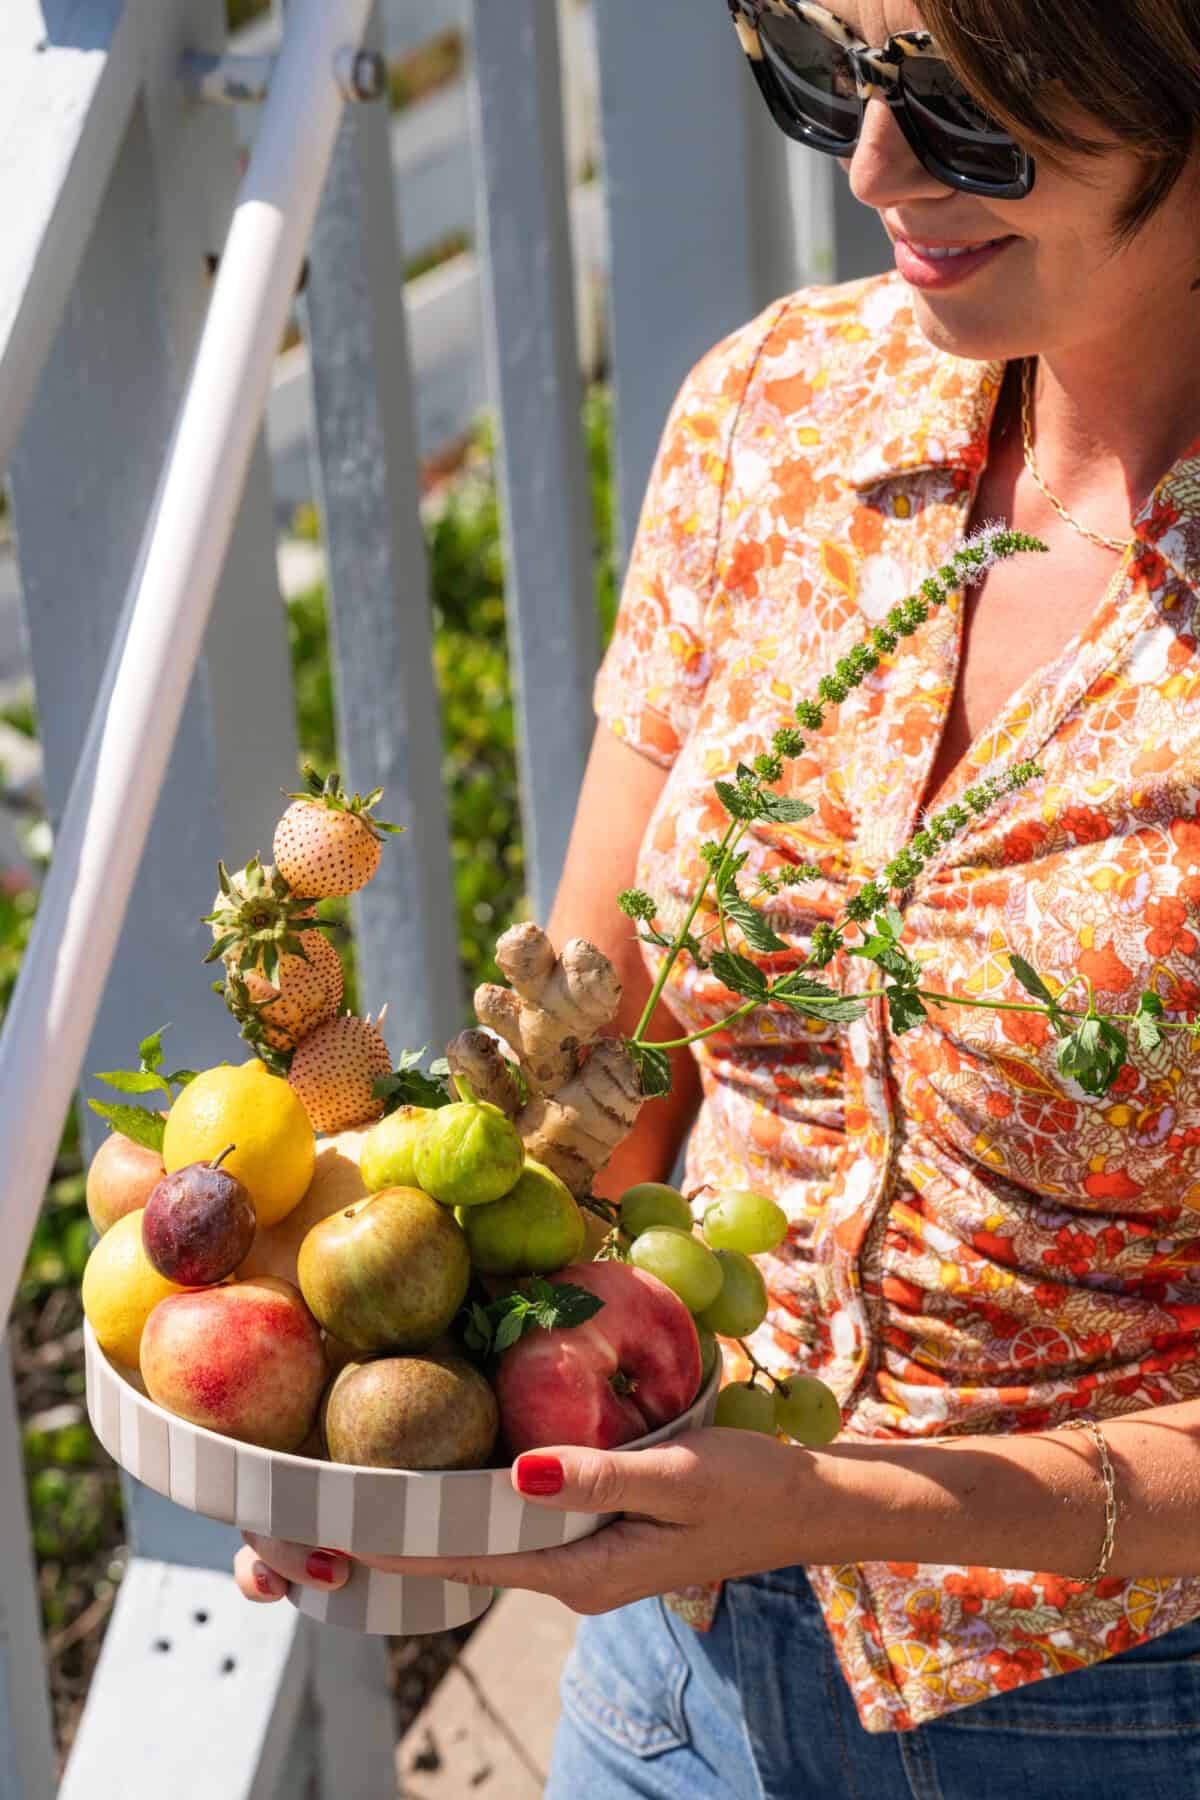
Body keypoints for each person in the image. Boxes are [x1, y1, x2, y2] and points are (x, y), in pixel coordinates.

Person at [236, 2, 1200, 1791]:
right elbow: (592, 1062)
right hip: (672, 1682)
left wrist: (842, 1503)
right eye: (827, 69)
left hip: (1128, 1707)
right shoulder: (781, 408)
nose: (873, 168)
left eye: (974, 116)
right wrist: (374, 1425)